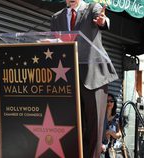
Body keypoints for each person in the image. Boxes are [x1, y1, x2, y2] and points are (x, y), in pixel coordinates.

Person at [50, 0, 118, 157]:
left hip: (93, 76)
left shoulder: (92, 8)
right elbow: (55, 41)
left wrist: (103, 21)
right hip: (69, 75)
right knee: (74, 125)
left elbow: (102, 20)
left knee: (94, 126)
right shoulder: (56, 18)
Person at [105, 93, 122, 158]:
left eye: (111, 101)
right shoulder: (101, 117)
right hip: (100, 148)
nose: (109, 103)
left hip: (111, 150)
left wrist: (109, 132)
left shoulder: (116, 117)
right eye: (107, 101)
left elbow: (119, 135)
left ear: (114, 103)